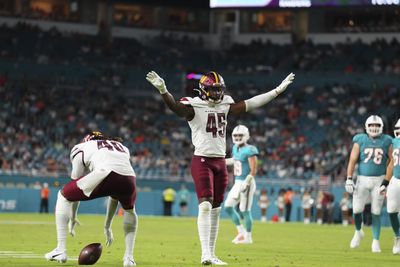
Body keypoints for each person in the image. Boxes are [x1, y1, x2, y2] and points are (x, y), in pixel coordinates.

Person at [146, 70, 294, 265]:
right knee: (205, 205)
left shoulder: (225, 104)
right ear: (203, 90)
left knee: (216, 210)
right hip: (202, 161)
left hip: (220, 162)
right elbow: (176, 108)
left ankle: (212, 254)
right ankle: (205, 254)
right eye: (213, 90)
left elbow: (250, 103)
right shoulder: (194, 105)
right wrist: (163, 90)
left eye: (219, 90)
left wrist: (276, 91)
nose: (217, 94)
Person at [45, 131, 138, 267]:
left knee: (63, 194)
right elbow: (115, 195)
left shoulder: (81, 147)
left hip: (105, 173)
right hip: (129, 178)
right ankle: (129, 258)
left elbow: (75, 186)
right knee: (130, 211)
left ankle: (60, 249)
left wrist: (73, 216)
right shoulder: (122, 147)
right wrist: (107, 226)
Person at [345, 115, 392, 253]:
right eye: (371, 125)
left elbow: (392, 161)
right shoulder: (360, 139)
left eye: (377, 126)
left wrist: (387, 180)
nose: (374, 128)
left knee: (376, 211)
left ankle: (376, 241)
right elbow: (352, 160)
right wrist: (349, 178)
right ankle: (358, 231)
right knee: (357, 210)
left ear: (381, 127)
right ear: (366, 126)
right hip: (362, 179)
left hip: (379, 179)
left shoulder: (386, 140)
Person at [224, 125, 259, 244]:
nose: (238, 137)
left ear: (246, 136)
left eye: (240, 135)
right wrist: (220, 162)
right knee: (228, 206)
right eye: (236, 135)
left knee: (244, 210)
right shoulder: (235, 148)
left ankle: (248, 237)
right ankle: (241, 232)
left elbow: (253, 170)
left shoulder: (250, 149)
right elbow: (235, 160)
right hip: (238, 182)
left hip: (246, 182)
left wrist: (247, 182)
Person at [379, 118, 400, 254]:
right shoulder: (395, 141)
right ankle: (398, 237)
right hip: (396, 180)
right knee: (391, 210)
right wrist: (384, 183)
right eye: (397, 130)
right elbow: (392, 163)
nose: (398, 132)